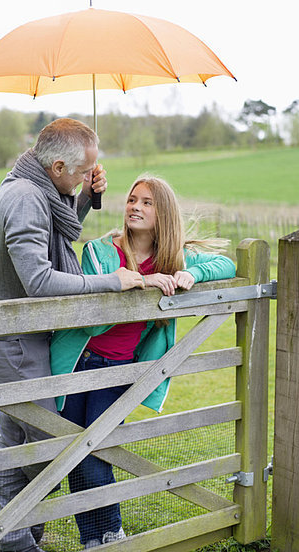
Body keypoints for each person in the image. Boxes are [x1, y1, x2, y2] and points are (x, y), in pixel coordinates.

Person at [0, 118, 144, 552]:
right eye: (81, 171)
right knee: (48, 437)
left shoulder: (36, 188)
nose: (88, 175)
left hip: (29, 335)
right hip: (12, 339)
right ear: (55, 166)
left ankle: (17, 533)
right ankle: (13, 530)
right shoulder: (26, 198)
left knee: (18, 436)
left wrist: (88, 196)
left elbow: (59, 228)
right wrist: (112, 280)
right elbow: (40, 281)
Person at [50, 175, 236, 549]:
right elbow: (95, 319)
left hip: (121, 370)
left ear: (162, 212)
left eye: (147, 202)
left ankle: (106, 535)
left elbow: (224, 265)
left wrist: (191, 273)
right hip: (78, 362)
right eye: (133, 199)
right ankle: (56, 532)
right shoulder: (100, 251)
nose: (135, 206)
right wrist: (135, 283)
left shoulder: (173, 257)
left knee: (93, 452)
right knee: (66, 452)